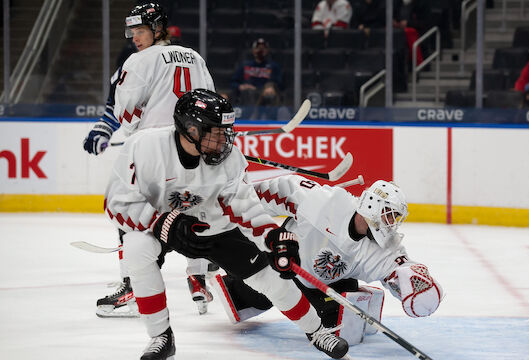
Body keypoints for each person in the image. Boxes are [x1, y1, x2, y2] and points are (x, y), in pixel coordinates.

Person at [106, 89, 349, 360]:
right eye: (216, 133)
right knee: (136, 248)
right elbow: (117, 202)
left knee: (269, 278)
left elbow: (244, 204)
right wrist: (163, 223)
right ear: (191, 130)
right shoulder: (144, 147)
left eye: (226, 132)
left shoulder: (230, 158)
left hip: (215, 228)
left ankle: (316, 331)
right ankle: (161, 336)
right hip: (160, 225)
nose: (225, 140)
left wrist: (272, 237)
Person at [83, 2, 216, 318]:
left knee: (128, 213)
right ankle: (198, 277)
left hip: (152, 152)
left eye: (140, 30)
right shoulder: (194, 57)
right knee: (192, 208)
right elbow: (210, 101)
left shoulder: (139, 61)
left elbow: (125, 112)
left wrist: (118, 127)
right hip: (189, 150)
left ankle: (132, 288)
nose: (134, 38)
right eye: (132, 31)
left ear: (158, 29)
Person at [211, 175, 444, 345]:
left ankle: (357, 297)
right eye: (390, 215)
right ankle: (237, 286)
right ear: (372, 206)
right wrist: (230, 210)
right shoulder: (325, 202)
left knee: (339, 328)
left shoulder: (385, 246)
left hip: (329, 285)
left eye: (395, 218)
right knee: (247, 299)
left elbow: (400, 268)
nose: (392, 223)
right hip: (288, 266)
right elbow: (272, 192)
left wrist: (412, 281)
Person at [230, 38, 283, 106]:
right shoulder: (245, 65)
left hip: (265, 95)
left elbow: (280, 84)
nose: (260, 50)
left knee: (269, 94)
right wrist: (240, 86)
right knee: (247, 93)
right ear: (253, 50)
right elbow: (233, 83)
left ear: (267, 50)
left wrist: (271, 87)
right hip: (249, 95)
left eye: (263, 48)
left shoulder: (274, 66)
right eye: (258, 48)